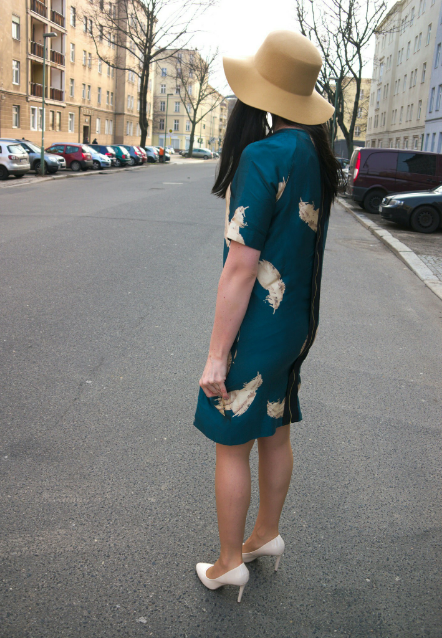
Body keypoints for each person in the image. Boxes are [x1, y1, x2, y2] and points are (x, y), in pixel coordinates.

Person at [193, 30, 340, 603]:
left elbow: (241, 267)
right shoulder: (313, 154)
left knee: (232, 441)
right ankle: (265, 534)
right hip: (296, 325)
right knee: (273, 429)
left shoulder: (264, 154)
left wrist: (214, 355)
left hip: (259, 325)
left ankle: (230, 562)